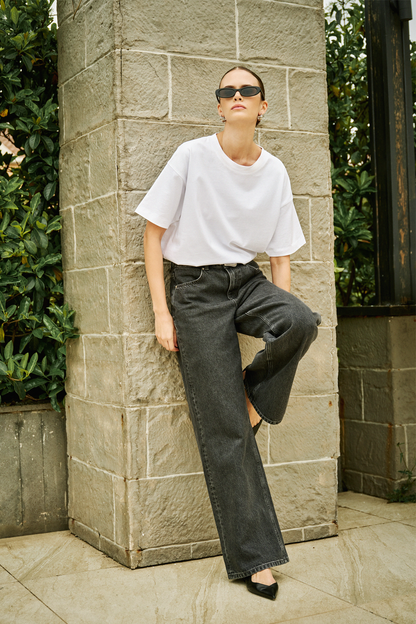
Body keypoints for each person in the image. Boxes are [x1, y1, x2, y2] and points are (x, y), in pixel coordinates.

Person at [137, 66, 321, 601]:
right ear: (219, 106)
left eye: (248, 90)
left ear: (263, 106)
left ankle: (252, 399)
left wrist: (280, 319)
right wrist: (162, 313)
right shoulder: (191, 157)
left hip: (247, 281)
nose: (237, 96)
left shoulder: (274, 171)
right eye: (227, 91)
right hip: (194, 291)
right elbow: (152, 233)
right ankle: (257, 560)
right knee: (228, 434)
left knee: (302, 320)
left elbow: (280, 256)